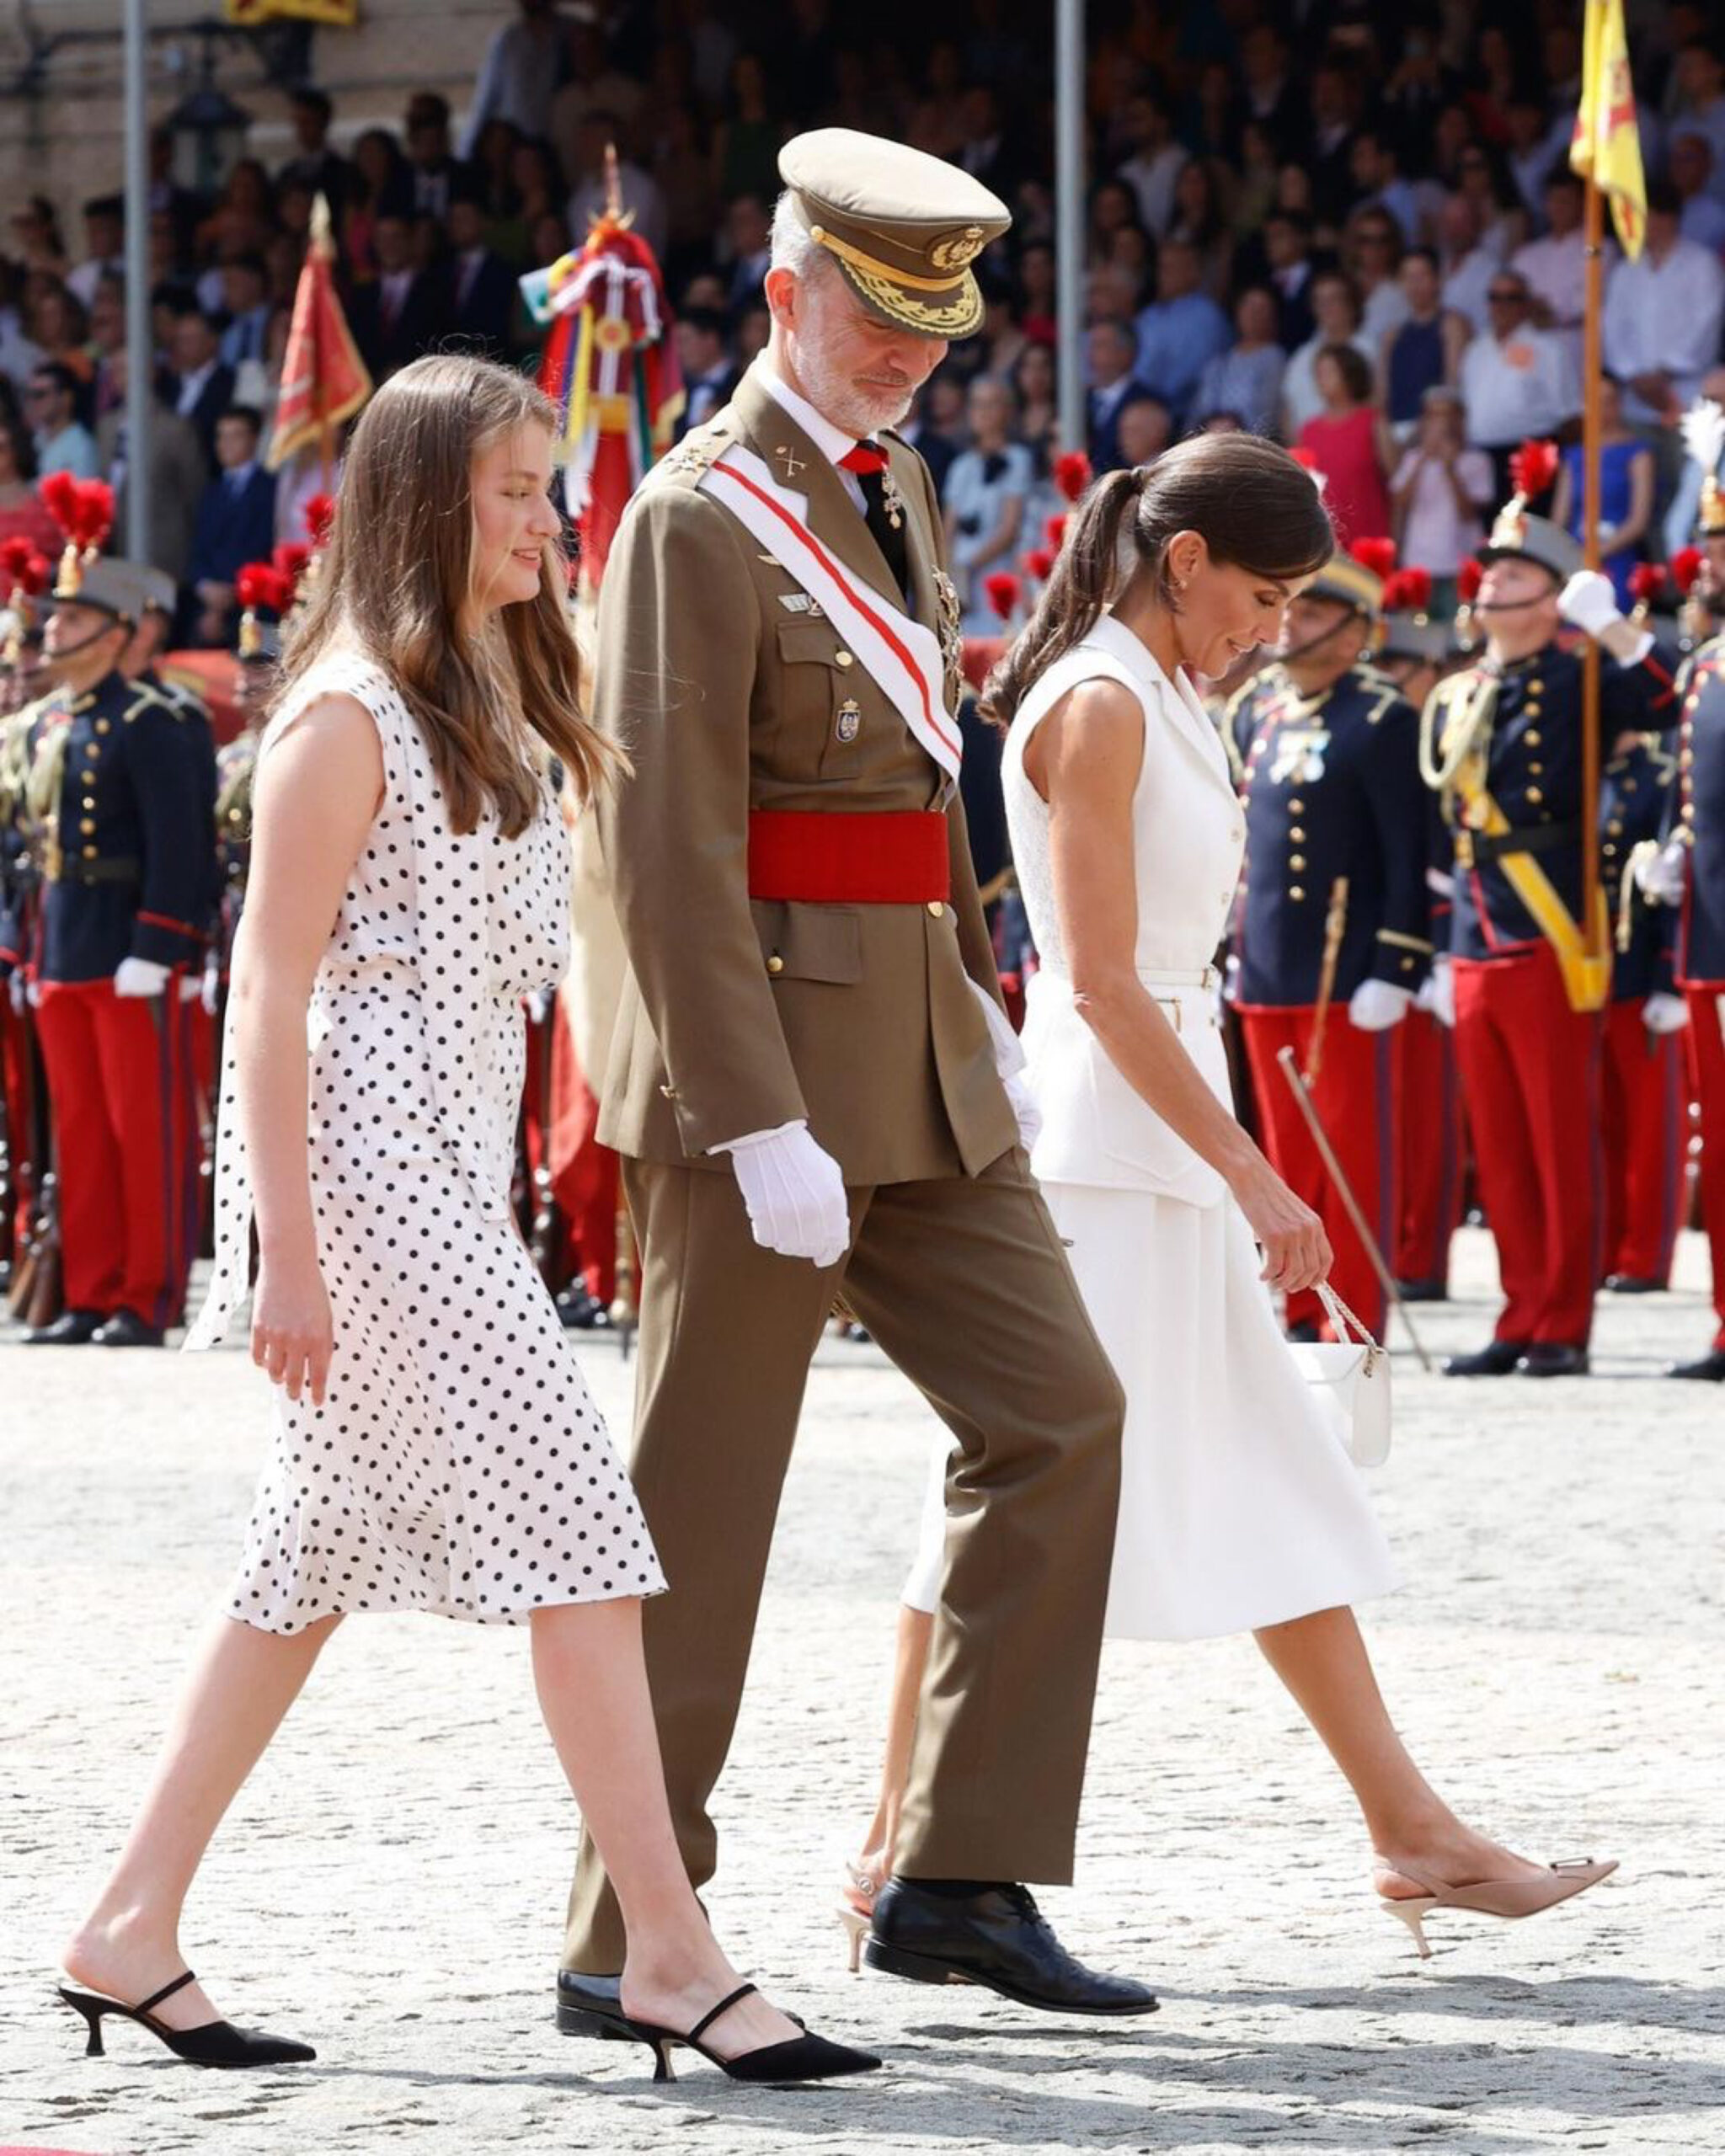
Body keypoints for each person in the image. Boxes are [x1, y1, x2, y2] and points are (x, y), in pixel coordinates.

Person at [56, 354, 876, 2089]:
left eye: (545, 489)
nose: (545, 519)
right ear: (429, 503)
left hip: (442, 1166)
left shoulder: (488, 691)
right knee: (584, 1533)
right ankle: (670, 1952)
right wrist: (282, 1252)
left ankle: (128, 1923)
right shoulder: (344, 716)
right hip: (363, 1180)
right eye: (512, 491)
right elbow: (267, 992)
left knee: (299, 1568)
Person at [849, 435, 1615, 1966]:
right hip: (1108, 1148)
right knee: (1011, 1494)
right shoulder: (1098, 701)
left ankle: (1408, 1827)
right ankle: (889, 1849)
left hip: (1157, 1135)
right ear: (1183, 559)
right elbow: (1099, 982)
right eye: (1262, 596)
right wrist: (1252, 1169)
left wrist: (1233, 1160)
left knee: (1267, 1477)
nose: (1275, 629)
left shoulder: (1155, 691)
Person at [556, 127, 1156, 2029]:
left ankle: (957, 1872)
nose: (906, 360)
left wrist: (973, 994)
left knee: (1059, 1414)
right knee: (698, 1504)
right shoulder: (694, 514)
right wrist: (748, 1114)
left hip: (916, 1051)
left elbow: (913, 785)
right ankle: (626, 1934)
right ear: (784, 294)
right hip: (764, 1078)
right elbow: (662, 844)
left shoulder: (889, 486)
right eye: (876, 321)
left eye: (931, 332)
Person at [1422, 490, 1677, 1377]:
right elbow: (1442, 824)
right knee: (1497, 1148)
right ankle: (1519, 1310)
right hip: (1474, 933)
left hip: (1550, 931)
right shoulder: (1459, 692)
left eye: (1516, 572)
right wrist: (1433, 945)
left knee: (1558, 1142)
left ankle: (1562, 1321)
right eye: (1490, 569)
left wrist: (1610, 627)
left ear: (1550, 596)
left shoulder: (1580, 679)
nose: (1493, 581)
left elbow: (1664, 698)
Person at [1225, 550, 1433, 1343]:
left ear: (1355, 632)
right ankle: (1302, 1307)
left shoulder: (1381, 720)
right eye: (1289, 609)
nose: (1291, 627)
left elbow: (1408, 856)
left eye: (1312, 614)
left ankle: (1351, 1316)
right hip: (1268, 966)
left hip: (1344, 975)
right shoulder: (1259, 711)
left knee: (1348, 1155)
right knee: (1285, 1156)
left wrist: (1398, 964)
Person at [17, 547, 213, 1351]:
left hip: (130, 951)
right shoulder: (53, 725)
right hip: (65, 948)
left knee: (146, 1133)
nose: (53, 630)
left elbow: (182, 844)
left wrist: (159, 942)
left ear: (115, 633)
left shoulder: (149, 722)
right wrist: (35, 954)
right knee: (83, 1133)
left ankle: (147, 1295)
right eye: (55, 617)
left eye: (71, 619)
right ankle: (89, 1293)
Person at [1634, 469, 1725, 1380]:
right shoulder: (1705, 665)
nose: (1706, 567)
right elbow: (1690, 788)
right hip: (1706, 939)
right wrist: (1669, 844)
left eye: (1721, 552)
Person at [1595, 734, 1686, 1295]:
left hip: (1642, 970)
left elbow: (1677, 887)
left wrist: (1669, 975)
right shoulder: (1582, 772)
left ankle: (1645, 1254)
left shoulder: (1661, 775)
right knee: (1598, 1124)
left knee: (1651, 1127)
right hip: (1589, 973)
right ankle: (1604, 1248)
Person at [1459, 271, 1578, 504]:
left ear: (1526, 303)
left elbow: (1570, 415)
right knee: (1493, 525)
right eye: (1495, 298)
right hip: (1483, 456)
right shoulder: (1475, 351)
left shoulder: (1548, 349)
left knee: (1532, 523)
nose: (1502, 305)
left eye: (1511, 298)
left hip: (1532, 453)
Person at [1551, 376, 1654, 610]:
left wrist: (1596, 553)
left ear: (1619, 404)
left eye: (1609, 401)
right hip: (1575, 555)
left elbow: (1638, 520)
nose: (1602, 409)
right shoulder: (1574, 455)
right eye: (1595, 401)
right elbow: (1559, 518)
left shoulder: (1637, 453)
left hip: (1618, 554)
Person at [1390, 387, 1493, 611]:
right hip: (1418, 563)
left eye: (1446, 415)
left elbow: (1469, 514)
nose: (1439, 423)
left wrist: (1449, 468)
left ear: (1460, 419)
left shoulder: (1477, 460)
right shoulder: (1413, 458)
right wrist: (1422, 459)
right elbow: (1401, 502)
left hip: (1460, 565)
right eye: (1432, 415)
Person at [944, 376, 1033, 630]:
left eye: (992, 404)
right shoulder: (962, 465)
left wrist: (968, 565)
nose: (983, 412)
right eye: (977, 404)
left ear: (1007, 411)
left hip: (997, 571)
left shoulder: (1017, 459)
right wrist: (949, 570)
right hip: (961, 576)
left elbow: (1009, 528)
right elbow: (948, 526)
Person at [185, 406, 277, 647]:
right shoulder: (212, 491)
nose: (226, 444)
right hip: (206, 608)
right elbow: (199, 548)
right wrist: (205, 587)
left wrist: (226, 596)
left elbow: (262, 547)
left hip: (252, 608)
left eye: (236, 435)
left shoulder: (270, 489)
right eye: (221, 436)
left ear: (254, 439)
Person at [1295, 344, 1393, 545]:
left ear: (1350, 375)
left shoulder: (1373, 422)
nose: (1321, 379)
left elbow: (1395, 479)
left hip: (1369, 538)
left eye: (1329, 372)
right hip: (1326, 542)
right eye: (1318, 373)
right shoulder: (1308, 430)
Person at [27, 363, 99, 481]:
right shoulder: (32, 440)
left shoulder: (81, 447)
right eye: (31, 395)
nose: (34, 401)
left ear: (66, 398)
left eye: (41, 394)